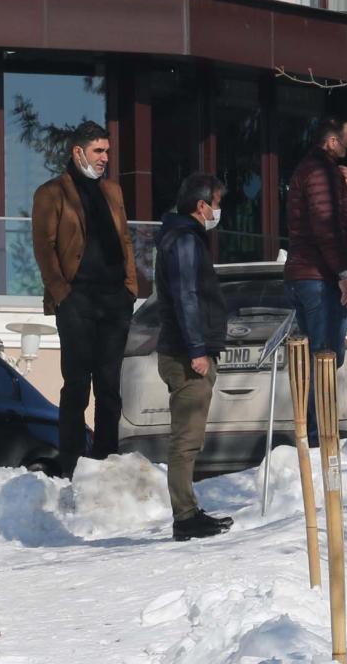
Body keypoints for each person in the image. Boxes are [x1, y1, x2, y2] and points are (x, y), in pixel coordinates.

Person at [31, 120, 138, 477]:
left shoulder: (113, 192)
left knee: (110, 384)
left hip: (113, 299)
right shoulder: (52, 192)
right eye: (98, 151)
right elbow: (44, 248)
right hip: (77, 299)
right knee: (77, 383)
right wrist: (63, 293)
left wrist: (130, 288)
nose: (105, 157)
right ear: (78, 152)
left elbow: (125, 241)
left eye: (107, 151)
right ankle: (71, 459)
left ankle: (107, 458)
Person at [155, 173, 235, 541]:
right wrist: (197, 350)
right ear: (201, 205)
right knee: (186, 439)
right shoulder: (184, 240)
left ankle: (188, 510)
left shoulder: (184, 238)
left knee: (191, 438)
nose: (218, 210)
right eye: (216, 203)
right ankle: (184, 516)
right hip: (186, 355)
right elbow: (187, 296)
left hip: (188, 350)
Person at [284, 118, 347, 443]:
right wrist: (345, 274)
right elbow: (326, 226)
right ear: (332, 142)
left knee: (322, 358)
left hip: (309, 276)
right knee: (325, 359)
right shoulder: (320, 171)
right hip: (319, 278)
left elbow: (343, 223)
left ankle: (315, 433)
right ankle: (319, 438)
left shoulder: (321, 172)